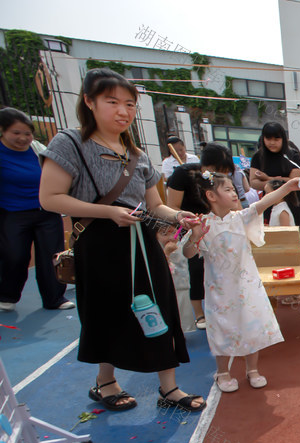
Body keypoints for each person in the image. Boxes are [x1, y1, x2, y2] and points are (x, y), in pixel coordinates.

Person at [39, 68, 204, 412]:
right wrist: (108, 213)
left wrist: (180, 217)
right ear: (89, 101)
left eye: (129, 104)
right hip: (98, 243)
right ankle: (105, 382)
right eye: (112, 102)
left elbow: (155, 205)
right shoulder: (69, 143)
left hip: (141, 243)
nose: (123, 111)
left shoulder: (137, 154)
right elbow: (50, 198)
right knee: (107, 312)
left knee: (158, 308)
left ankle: (169, 387)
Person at [183, 172, 291, 392]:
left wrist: (288, 186)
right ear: (211, 196)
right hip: (219, 290)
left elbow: (265, 202)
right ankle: (222, 372)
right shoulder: (202, 223)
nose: (235, 193)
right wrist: (195, 235)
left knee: (250, 324)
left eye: (234, 189)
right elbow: (187, 253)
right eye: (229, 189)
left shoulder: (240, 217)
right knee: (221, 328)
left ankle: (253, 369)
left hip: (246, 286)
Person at [0, 107, 73, 312]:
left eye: (27, 133)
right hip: (13, 213)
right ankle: (7, 294)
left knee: (52, 255)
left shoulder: (36, 149)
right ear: (3, 131)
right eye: (16, 133)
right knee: (15, 255)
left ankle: (54, 298)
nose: (23, 138)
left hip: (46, 211)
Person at [165, 142, 236, 330]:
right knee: (194, 268)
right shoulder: (183, 174)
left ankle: (223, 309)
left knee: (220, 266)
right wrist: (190, 219)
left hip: (215, 227)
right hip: (189, 227)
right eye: (216, 170)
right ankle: (199, 314)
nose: (220, 175)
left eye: (225, 172)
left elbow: (233, 205)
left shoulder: (222, 180)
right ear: (205, 165)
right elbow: (171, 206)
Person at [248, 122, 300, 241]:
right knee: (274, 238)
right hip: (271, 202)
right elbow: (253, 182)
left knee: (298, 237)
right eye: (268, 138)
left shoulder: (292, 155)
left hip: (294, 201)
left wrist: (268, 179)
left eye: (276, 139)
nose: (272, 142)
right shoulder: (258, 157)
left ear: (283, 139)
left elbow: (295, 182)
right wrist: (280, 181)